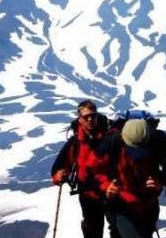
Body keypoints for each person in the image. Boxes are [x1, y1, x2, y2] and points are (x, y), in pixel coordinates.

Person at [90, 117, 166, 238]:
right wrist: (106, 187)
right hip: (120, 203)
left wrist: (160, 181)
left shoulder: (158, 139)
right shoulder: (111, 141)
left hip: (148, 204)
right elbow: (92, 170)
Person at [50, 100, 110, 238]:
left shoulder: (108, 136)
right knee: (95, 231)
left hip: (108, 192)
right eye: (86, 117)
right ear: (80, 119)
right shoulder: (76, 142)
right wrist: (59, 175)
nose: (90, 119)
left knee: (115, 230)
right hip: (89, 194)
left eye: (93, 116)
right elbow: (61, 165)